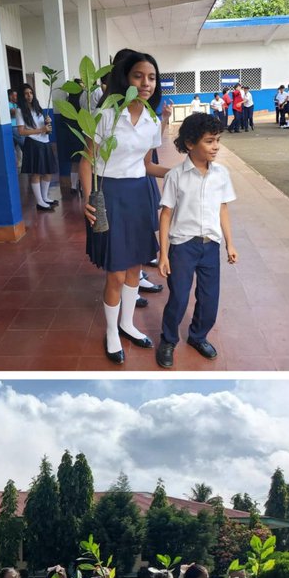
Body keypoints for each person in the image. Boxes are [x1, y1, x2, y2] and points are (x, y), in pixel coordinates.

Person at [82, 49, 170, 364]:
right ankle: (110, 331)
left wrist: (178, 172)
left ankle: (127, 324)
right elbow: (87, 160)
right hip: (110, 195)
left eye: (151, 77)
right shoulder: (105, 115)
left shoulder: (151, 119)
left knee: (134, 268)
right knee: (116, 273)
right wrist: (87, 198)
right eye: (138, 76)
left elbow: (147, 165)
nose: (146, 83)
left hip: (138, 196)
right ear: (125, 78)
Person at [155, 112, 237, 368]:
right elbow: (166, 214)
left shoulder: (221, 174)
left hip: (210, 245)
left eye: (217, 140)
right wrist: (164, 254)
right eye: (210, 141)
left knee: (209, 296)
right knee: (179, 296)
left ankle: (198, 336)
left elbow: (223, 208)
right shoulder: (176, 176)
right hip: (182, 247)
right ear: (190, 144)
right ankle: (168, 340)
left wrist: (230, 243)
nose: (216, 146)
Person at [15, 84, 58, 211]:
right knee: (37, 173)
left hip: (45, 141)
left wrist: (47, 122)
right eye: (26, 94)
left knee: (49, 171)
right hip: (33, 143)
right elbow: (21, 132)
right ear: (22, 96)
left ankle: (45, 198)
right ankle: (39, 202)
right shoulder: (20, 111)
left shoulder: (37, 108)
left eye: (31, 93)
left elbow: (42, 125)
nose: (29, 96)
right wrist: (40, 129)